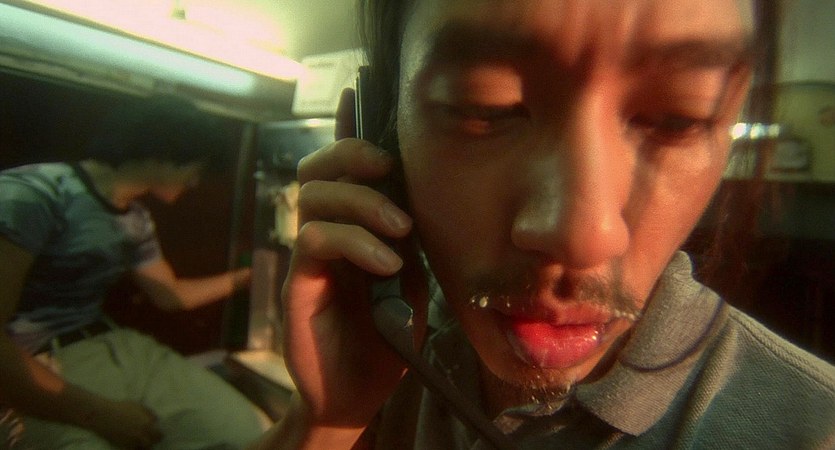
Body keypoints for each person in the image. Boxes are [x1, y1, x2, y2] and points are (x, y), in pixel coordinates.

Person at [255, 0, 835, 448]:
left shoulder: (811, 430)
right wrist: (326, 422)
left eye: (677, 118)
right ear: (380, 123)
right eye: (484, 105)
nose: (583, 237)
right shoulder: (390, 343)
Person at [0, 95, 267, 449]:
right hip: (32, 361)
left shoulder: (136, 218)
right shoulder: (33, 193)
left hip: (109, 344)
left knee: (250, 432)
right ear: (165, 152)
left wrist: (249, 278)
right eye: (197, 168)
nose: (195, 182)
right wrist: (96, 413)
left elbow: (170, 295)